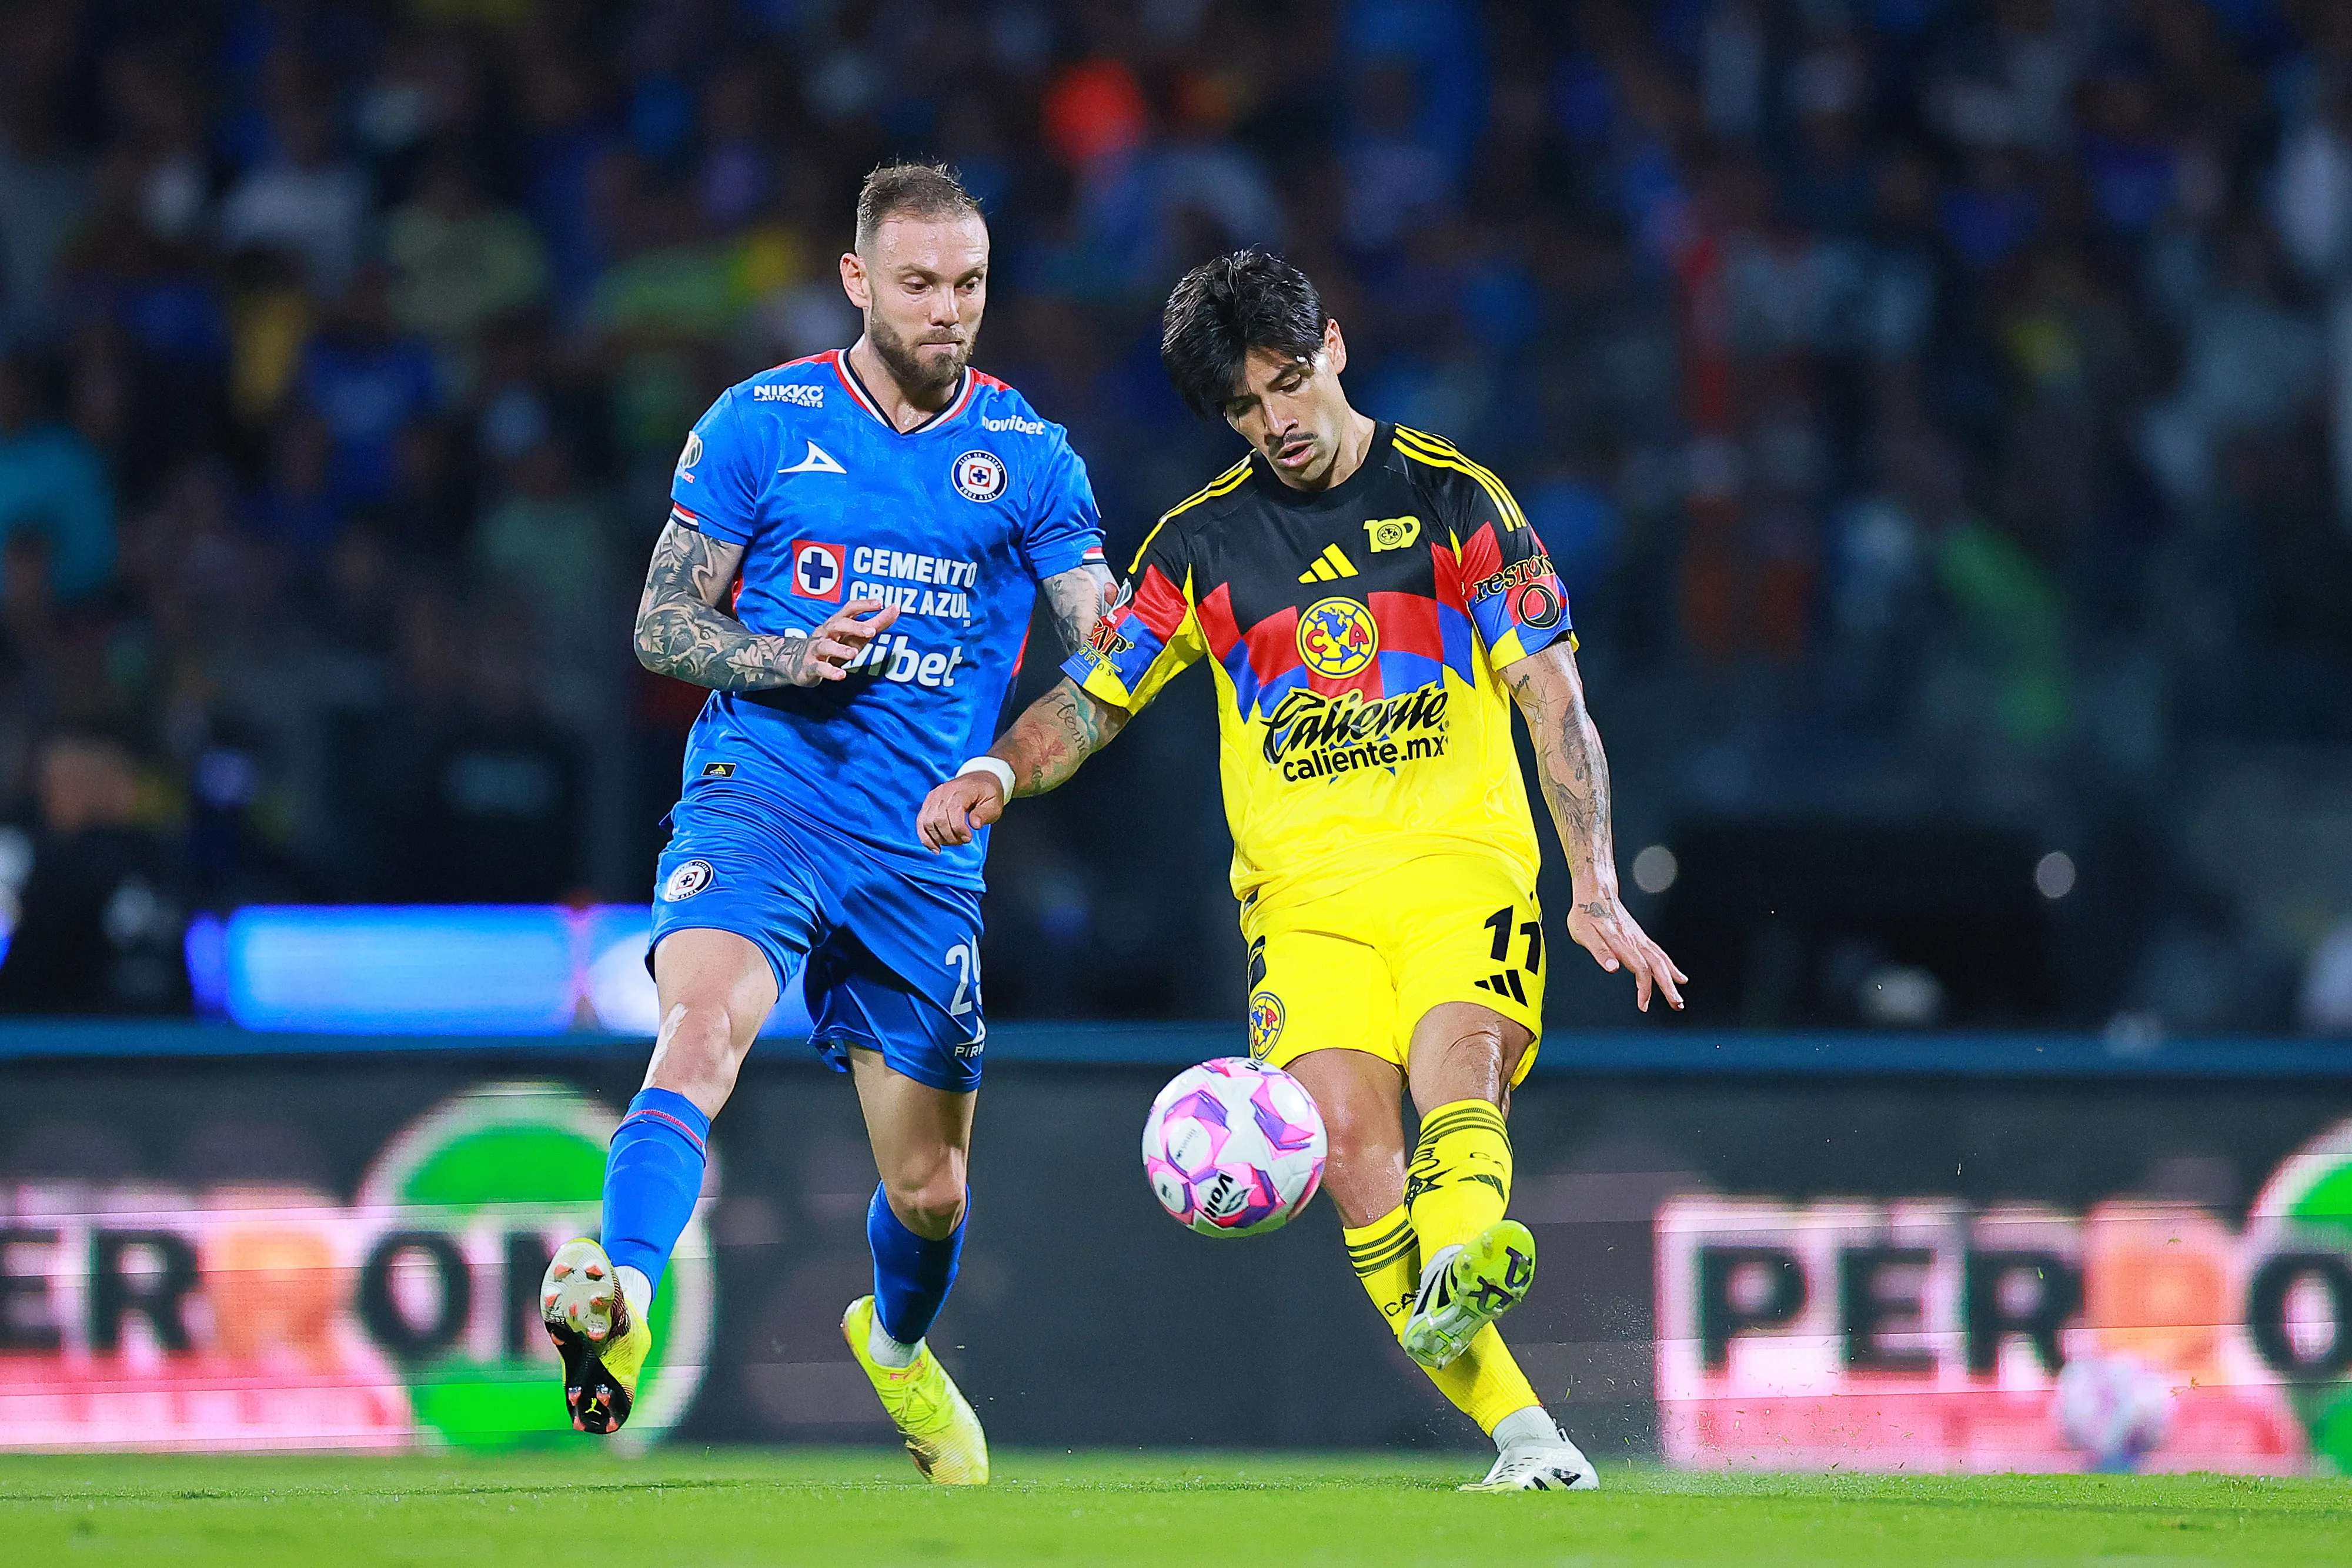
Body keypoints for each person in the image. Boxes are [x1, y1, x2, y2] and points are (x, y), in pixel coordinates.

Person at [917, 251, 1685, 1492]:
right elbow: (1095, 698)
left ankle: (1466, 1250)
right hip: (1303, 910)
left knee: (1459, 1070)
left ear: (1331, 345)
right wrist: (998, 772)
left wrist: (1588, 879)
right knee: (1348, 1152)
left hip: (1459, 870)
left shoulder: (1454, 501)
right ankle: (1530, 1438)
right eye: (1241, 407)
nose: (1273, 423)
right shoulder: (1198, 544)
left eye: (1283, 384)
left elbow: (1551, 689)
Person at [539, 162, 1111, 1483]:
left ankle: (899, 1351)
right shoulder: (759, 420)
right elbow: (660, 624)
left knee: (931, 1192)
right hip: (766, 795)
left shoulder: (1029, 455)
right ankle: (620, 1296)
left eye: (968, 284)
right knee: (700, 1029)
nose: (947, 311)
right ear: (856, 280)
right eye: (917, 284)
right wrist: (789, 660)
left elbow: (1104, 648)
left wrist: (1121, 661)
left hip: (921, 845)